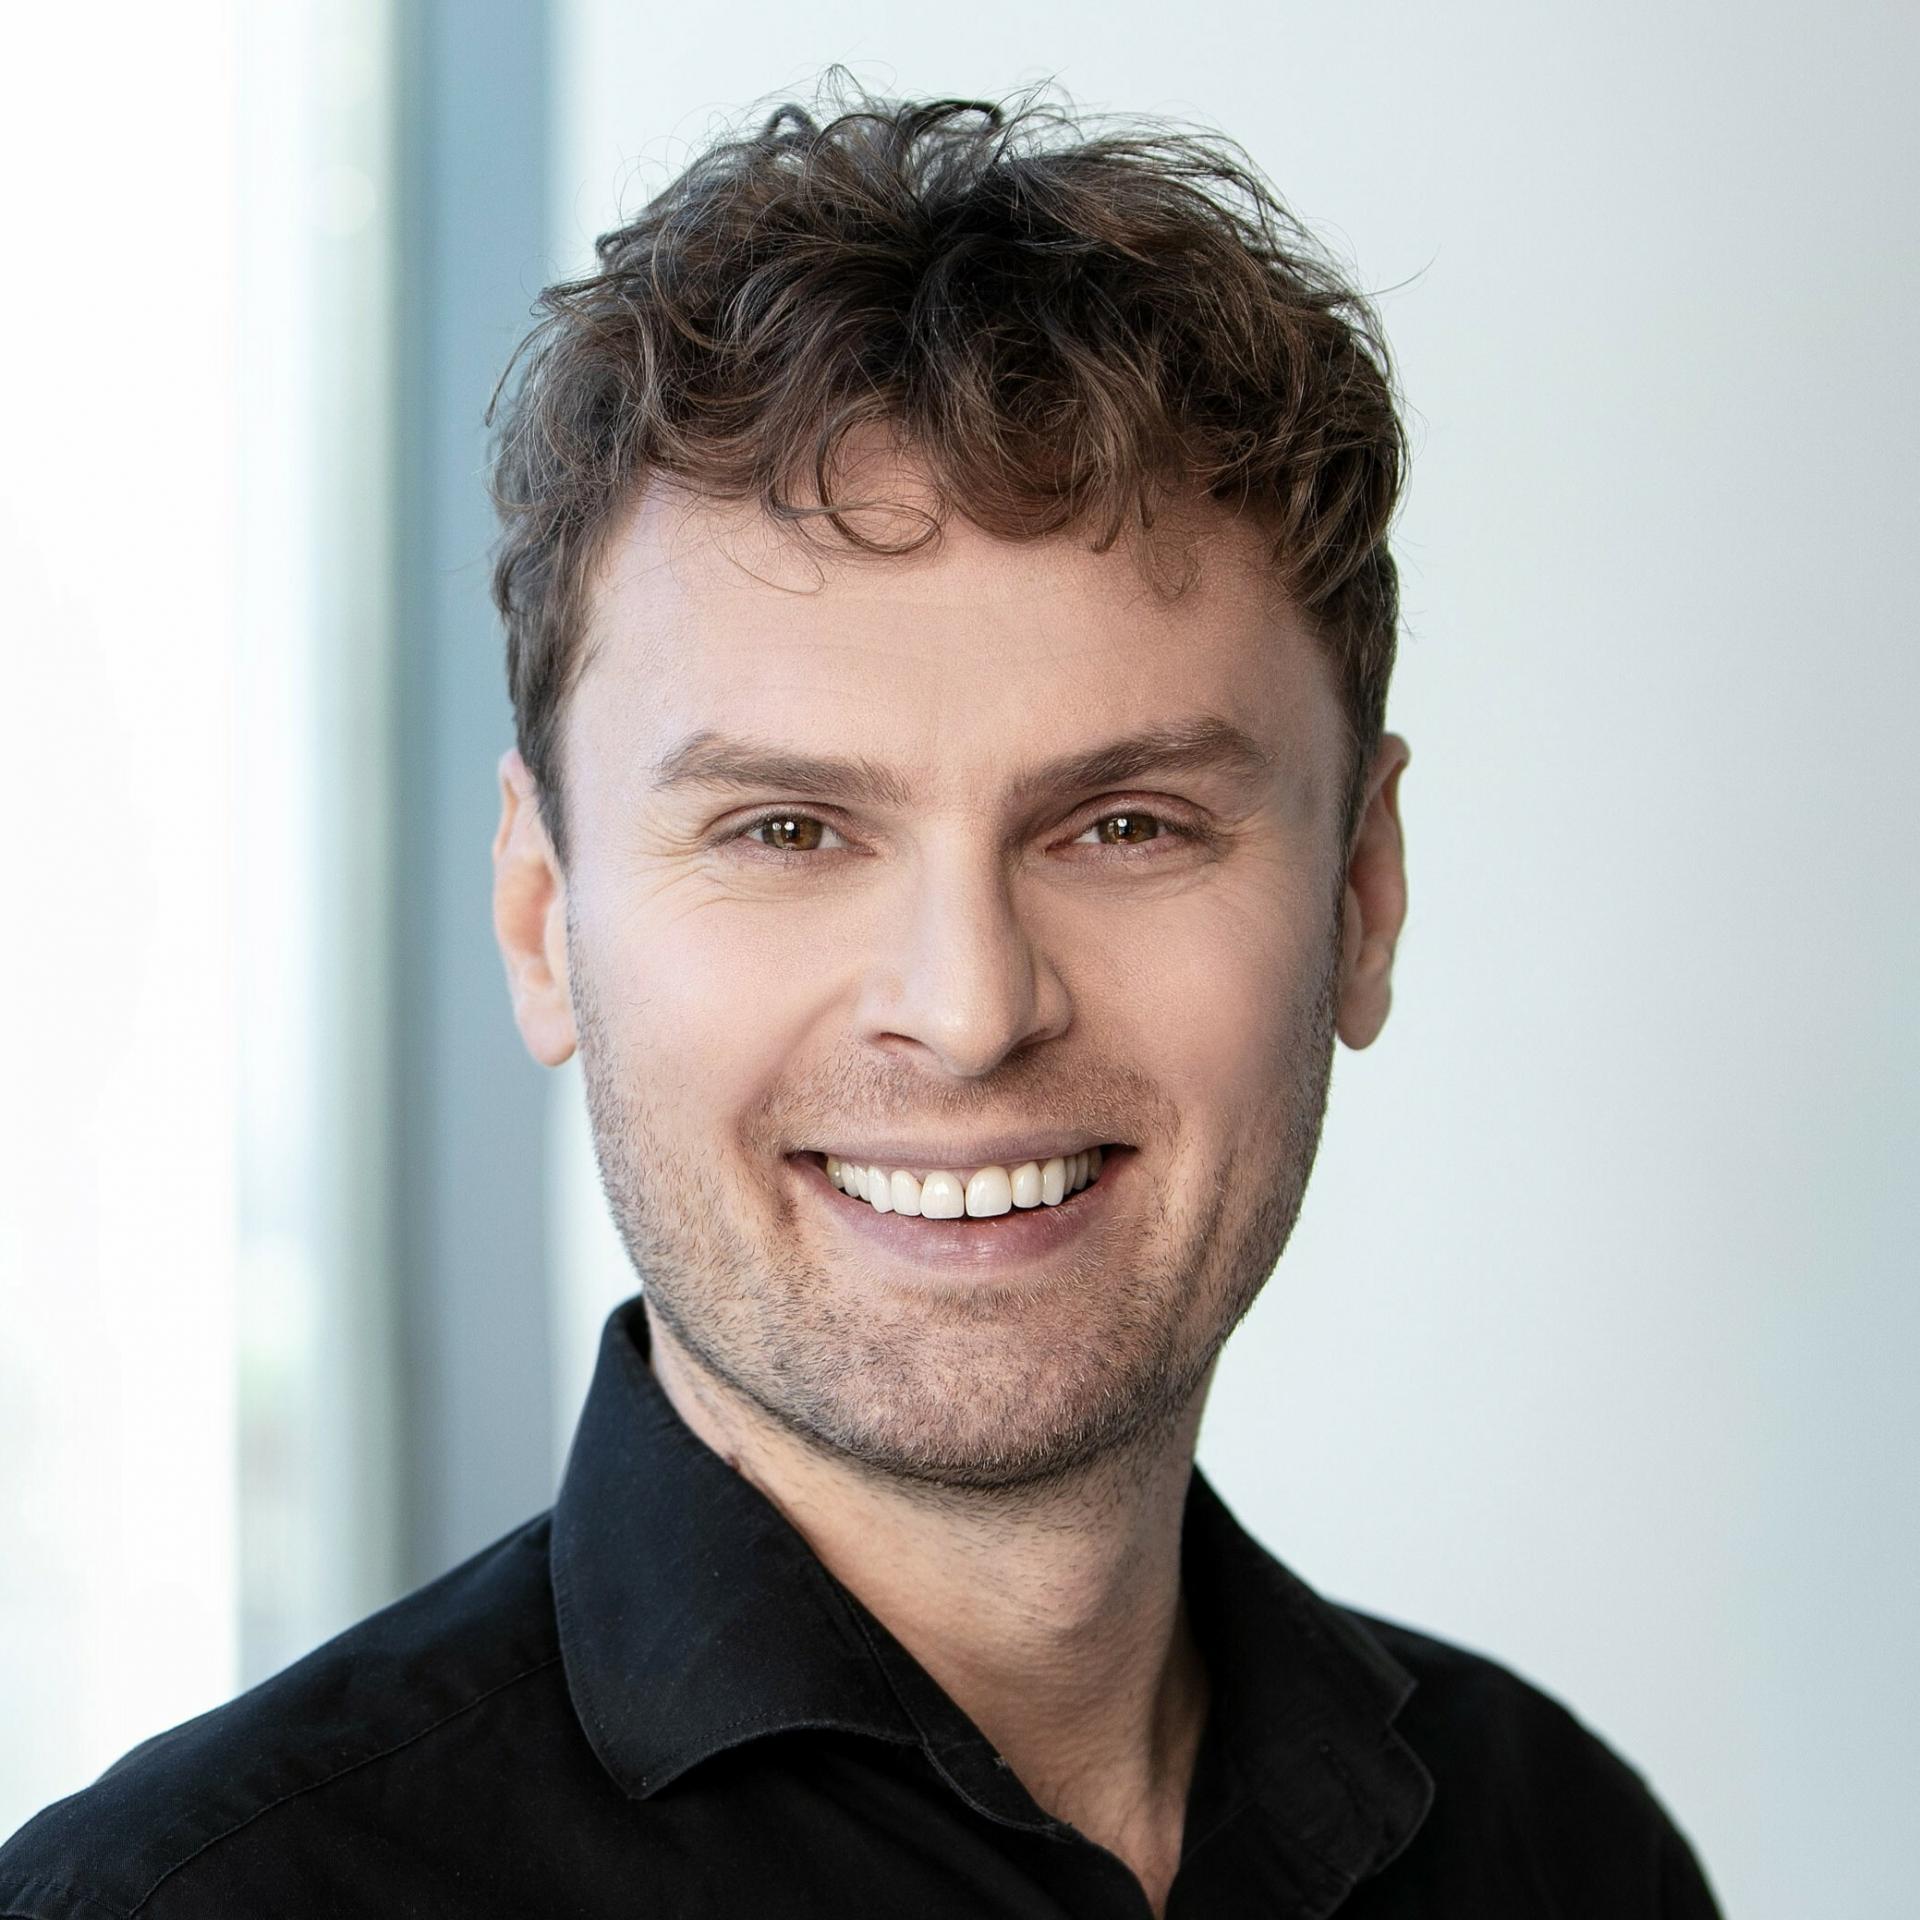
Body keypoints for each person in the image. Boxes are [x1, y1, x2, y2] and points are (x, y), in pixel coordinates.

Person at [0, 76, 1723, 1918]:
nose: (969, 1010)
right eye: (790, 830)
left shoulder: (1561, 1851)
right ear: (541, 915)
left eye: (1126, 823)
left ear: (1362, 895)